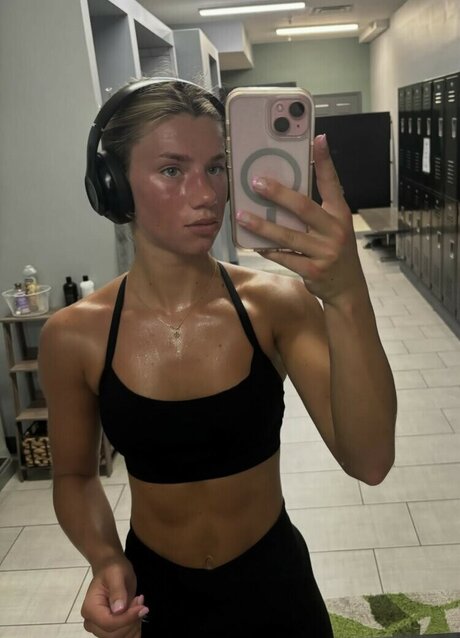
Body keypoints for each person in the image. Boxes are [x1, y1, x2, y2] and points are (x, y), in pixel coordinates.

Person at [38, 78, 397, 638]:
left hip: (274, 586)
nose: (205, 193)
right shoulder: (74, 336)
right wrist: (105, 558)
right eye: (172, 170)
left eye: (216, 167)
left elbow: (370, 462)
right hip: (155, 597)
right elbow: (75, 476)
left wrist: (347, 293)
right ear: (114, 187)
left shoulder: (276, 307)